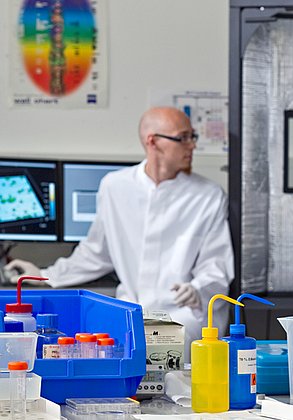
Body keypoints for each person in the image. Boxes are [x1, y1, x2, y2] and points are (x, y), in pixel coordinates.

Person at [6, 107, 234, 359]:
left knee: (174, 370)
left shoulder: (207, 195)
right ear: (153, 141)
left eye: (193, 137)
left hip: (183, 316)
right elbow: (96, 253)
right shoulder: (115, 186)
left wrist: (197, 289)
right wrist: (45, 275)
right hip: (131, 311)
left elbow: (217, 266)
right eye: (183, 138)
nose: (192, 146)